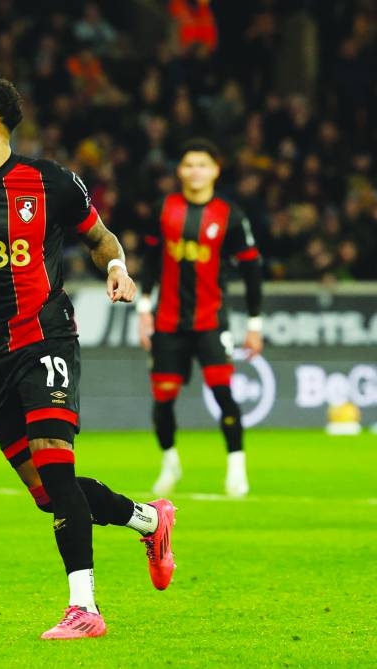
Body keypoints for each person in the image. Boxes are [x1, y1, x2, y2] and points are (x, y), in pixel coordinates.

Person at [0, 73, 175, 640]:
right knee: (47, 493)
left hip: (46, 337)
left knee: (56, 465)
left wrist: (116, 268)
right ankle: (150, 520)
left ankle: (85, 609)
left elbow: (100, 238)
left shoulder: (50, 181)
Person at [137, 138, 264, 498]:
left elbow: (252, 269)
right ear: (179, 171)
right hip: (168, 322)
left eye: (203, 165)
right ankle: (170, 461)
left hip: (211, 321)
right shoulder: (164, 209)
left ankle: (236, 468)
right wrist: (144, 309)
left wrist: (255, 324)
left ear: (215, 171)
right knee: (163, 399)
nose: (195, 171)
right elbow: (150, 261)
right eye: (189, 165)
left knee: (223, 392)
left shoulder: (230, 215)